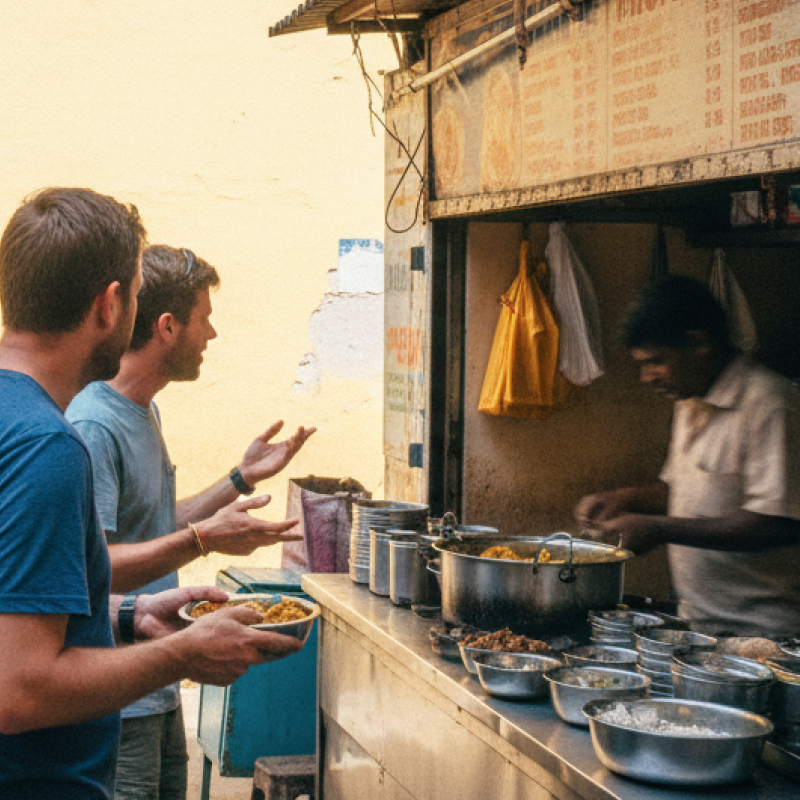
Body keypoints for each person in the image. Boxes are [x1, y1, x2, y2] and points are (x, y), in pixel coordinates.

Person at [0, 188, 304, 800]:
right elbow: (18, 687)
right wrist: (184, 655)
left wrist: (127, 617)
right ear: (111, 305)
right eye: (136, 296)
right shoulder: (48, 446)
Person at [66, 243, 315, 800]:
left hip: (156, 685)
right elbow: (93, 568)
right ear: (168, 327)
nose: (213, 334)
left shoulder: (143, 409)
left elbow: (150, 524)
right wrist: (205, 540)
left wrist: (240, 480)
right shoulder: (94, 424)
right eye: (205, 319)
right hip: (119, 698)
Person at [575, 275, 800, 637]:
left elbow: (778, 522)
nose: (647, 377)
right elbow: (681, 490)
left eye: (656, 361)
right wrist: (625, 499)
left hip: (766, 634)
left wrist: (658, 529)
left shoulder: (770, 404)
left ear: (698, 344)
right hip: (700, 622)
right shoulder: (689, 399)